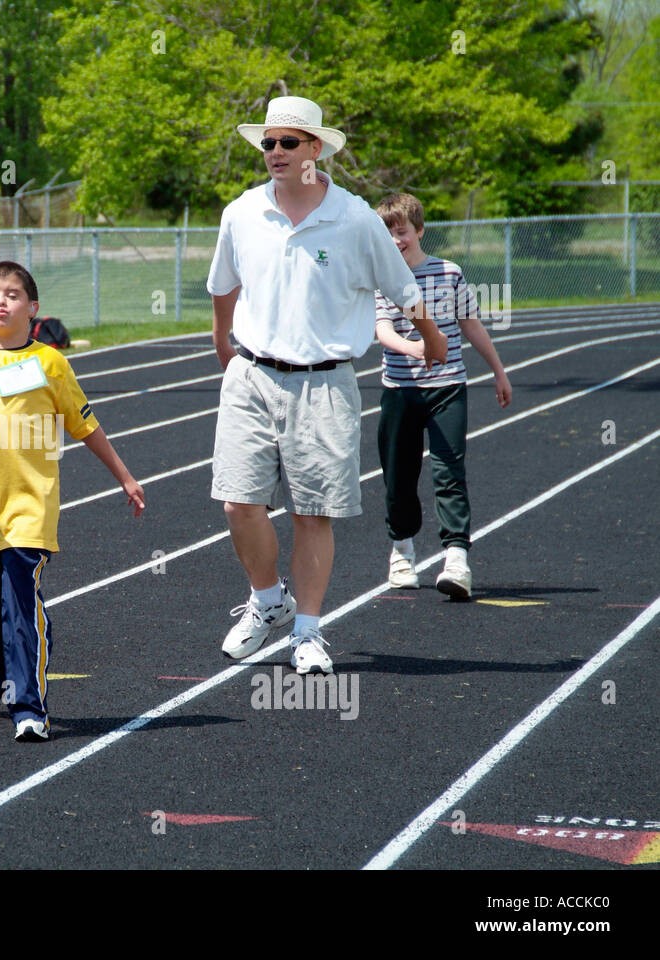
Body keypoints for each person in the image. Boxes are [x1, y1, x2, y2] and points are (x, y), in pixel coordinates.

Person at [207, 96, 448, 675]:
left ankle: (308, 633)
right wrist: (222, 345)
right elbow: (223, 287)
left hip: (325, 382)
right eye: (267, 143)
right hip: (252, 372)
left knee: (313, 513)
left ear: (316, 149)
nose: (275, 153)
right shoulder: (241, 212)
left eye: (288, 142)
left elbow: (402, 287)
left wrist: (432, 342)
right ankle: (269, 602)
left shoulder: (355, 217)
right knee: (239, 503)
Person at [0, 261, 145, 742]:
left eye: (11, 294)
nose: (0, 302)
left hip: (30, 511)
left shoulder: (51, 364)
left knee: (21, 608)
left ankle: (29, 706)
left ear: (33, 308)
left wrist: (125, 477)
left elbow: (84, 423)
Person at [373, 192, 512, 599]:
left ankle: (456, 558)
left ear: (419, 230)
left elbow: (470, 325)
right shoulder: (381, 278)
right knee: (398, 477)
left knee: (449, 472)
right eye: (388, 235)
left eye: (402, 233)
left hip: (447, 387)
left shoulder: (449, 273)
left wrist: (499, 372)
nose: (396, 241)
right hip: (400, 390)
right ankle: (402, 549)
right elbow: (381, 329)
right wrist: (412, 347)